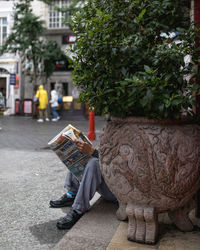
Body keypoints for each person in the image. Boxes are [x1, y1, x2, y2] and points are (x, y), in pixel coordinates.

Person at [50, 139, 117, 230]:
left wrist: (93, 151)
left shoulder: (132, 135)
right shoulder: (113, 130)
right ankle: (72, 194)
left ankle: (78, 208)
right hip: (108, 182)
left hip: (118, 192)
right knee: (81, 155)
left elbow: (119, 167)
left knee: (94, 163)